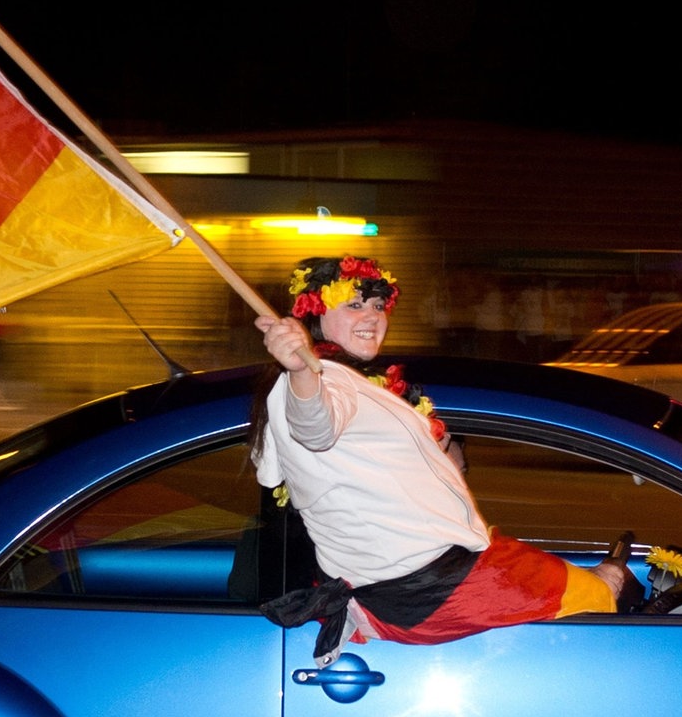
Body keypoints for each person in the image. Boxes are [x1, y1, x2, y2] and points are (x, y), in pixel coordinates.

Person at [251, 256, 633, 663]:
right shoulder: (324, 380)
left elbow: (336, 461)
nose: (373, 317)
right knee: (601, 589)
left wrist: (436, 456)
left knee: (581, 576)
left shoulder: (355, 383)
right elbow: (314, 427)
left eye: (379, 306)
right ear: (315, 312)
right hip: (430, 589)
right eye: (354, 304)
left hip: (433, 576)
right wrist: (300, 371)